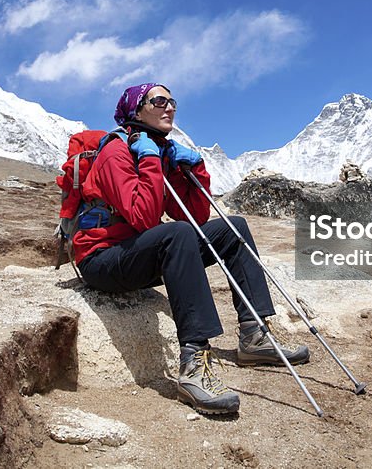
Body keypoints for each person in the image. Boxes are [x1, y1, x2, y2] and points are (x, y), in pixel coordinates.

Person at [73, 82, 309, 415]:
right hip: (102, 260)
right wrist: (151, 162)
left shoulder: (154, 149)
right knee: (177, 234)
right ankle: (193, 365)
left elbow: (195, 216)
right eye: (158, 101)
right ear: (135, 109)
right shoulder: (117, 151)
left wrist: (194, 168)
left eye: (172, 101)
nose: (169, 107)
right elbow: (142, 217)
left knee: (232, 228)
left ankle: (254, 336)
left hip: (135, 255)